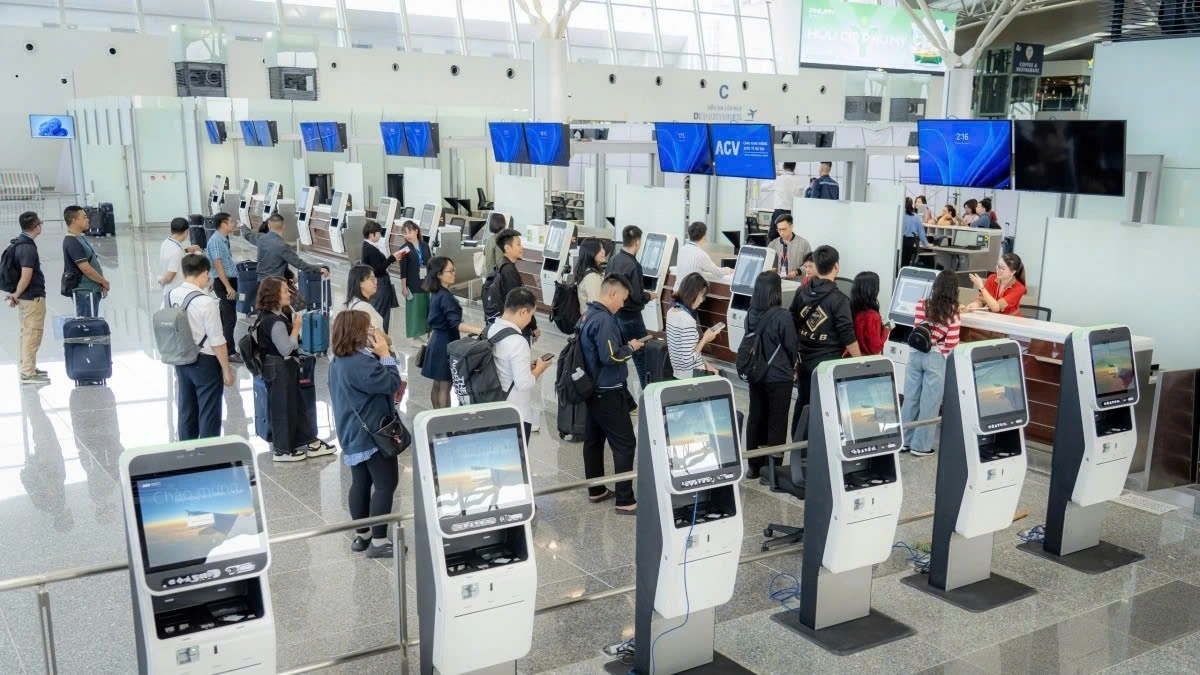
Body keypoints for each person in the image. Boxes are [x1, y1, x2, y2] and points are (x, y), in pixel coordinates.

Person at [328, 310, 403, 558]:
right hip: (373, 433)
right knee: (385, 484)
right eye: (368, 328)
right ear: (357, 332)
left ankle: (362, 537)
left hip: (351, 431)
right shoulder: (360, 363)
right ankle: (379, 543)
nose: (372, 331)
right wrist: (385, 355)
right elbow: (391, 382)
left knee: (360, 482)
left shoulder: (338, 361)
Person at [579, 275, 643, 513]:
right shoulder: (605, 320)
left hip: (591, 389)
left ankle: (596, 490)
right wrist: (631, 348)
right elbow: (611, 357)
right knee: (625, 443)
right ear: (612, 294)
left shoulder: (587, 314)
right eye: (623, 299)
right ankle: (626, 501)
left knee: (594, 441)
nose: (623, 305)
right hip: (607, 391)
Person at [254, 276, 336, 462]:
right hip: (279, 367)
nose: (288, 294)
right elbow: (286, 348)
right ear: (274, 295)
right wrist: (295, 329)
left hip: (273, 367)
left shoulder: (268, 315)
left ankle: (306, 440)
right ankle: (282, 450)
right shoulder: (276, 321)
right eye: (284, 291)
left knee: (291, 404)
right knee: (283, 408)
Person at [790, 245, 862, 424]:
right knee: (824, 408)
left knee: (803, 402)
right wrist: (859, 360)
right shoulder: (839, 299)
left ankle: (798, 447)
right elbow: (847, 334)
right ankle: (816, 448)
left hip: (803, 358)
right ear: (836, 266)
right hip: (826, 362)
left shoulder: (802, 291)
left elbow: (792, 321)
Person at [168, 255, 235, 441]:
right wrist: (226, 370)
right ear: (205, 273)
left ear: (184, 271)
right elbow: (217, 340)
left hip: (181, 358)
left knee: (186, 407)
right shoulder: (206, 302)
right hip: (205, 361)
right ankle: (209, 453)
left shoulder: (170, 295)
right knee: (209, 410)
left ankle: (186, 450)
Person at [902, 270, 961, 457]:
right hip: (935, 358)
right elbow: (952, 341)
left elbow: (917, 327)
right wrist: (940, 350)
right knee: (930, 403)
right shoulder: (953, 312)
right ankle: (920, 447)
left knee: (910, 398)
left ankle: (904, 441)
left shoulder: (922, 304)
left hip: (915, 354)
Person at [745, 272, 796, 478]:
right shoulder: (783, 316)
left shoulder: (750, 313)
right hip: (779, 376)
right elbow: (791, 346)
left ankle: (753, 466)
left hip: (756, 374)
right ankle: (772, 469)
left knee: (756, 417)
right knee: (777, 421)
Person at [488, 288, 553, 441]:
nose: (530, 320)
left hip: (494, 404)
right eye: (531, 315)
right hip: (515, 412)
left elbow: (503, 364)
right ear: (523, 312)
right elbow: (524, 383)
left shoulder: (491, 329)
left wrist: (527, 366)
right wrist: (539, 369)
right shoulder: (518, 341)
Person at [422, 256, 482, 409]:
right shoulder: (445, 296)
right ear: (439, 274)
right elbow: (455, 324)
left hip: (436, 340)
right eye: (450, 271)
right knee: (445, 386)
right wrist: (479, 330)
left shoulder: (436, 292)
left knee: (437, 384)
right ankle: (444, 421)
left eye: (454, 270)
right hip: (446, 343)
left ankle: (436, 416)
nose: (454, 273)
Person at [604, 226, 656, 388]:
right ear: (637, 242)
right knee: (641, 357)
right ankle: (648, 393)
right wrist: (649, 296)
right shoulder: (634, 265)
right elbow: (636, 297)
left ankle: (622, 394)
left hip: (614, 315)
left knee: (620, 355)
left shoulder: (614, 259)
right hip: (631, 318)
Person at [6, 211, 49, 384]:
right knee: (32, 335)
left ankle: (28, 367)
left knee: (27, 334)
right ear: (37, 226)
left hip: (26, 297)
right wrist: (16, 294)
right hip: (32, 299)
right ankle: (28, 373)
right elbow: (26, 276)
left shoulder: (19, 243)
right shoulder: (28, 248)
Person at [242, 212, 329, 284]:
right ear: (284, 226)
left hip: (261, 283)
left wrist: (242, 226)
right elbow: (299, 264)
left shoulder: (261, 238)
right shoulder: (283, 246)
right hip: (275, 285)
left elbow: (248, 235)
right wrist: (319, 269)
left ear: (269, 226)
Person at [665, 273, 721, 377]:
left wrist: (705, 363)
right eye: (701, 295)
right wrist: (705, 339)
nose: (702, 300)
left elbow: (686, 348)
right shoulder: (687, 320)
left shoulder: (671, 312)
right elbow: (688, 359)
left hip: (680, 373)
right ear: (693, 294)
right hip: (693, 376)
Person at [489, 229, 540, 340]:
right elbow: (521, 302)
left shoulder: (502, 264)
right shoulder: (508, 270)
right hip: (517, 325)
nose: (521, 247)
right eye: (518, 244)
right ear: (507, 248)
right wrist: (533, 326)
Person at [62, 205, 110, 317]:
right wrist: (104, 282)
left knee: (92, 323)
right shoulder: (72, 242)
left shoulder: (80, 237)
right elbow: (86, 269)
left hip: (91, 291)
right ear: (74, 220)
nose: (88, 219)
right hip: (84, 293)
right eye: (84, 217)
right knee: (87, 327)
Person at [205, 213, 241, 361]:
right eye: (231, 221)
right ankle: (230, 351)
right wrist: (227, 286)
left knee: (224, 316)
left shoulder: (223, 239)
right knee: (229, 318)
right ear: (224, 224)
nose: (233, 224)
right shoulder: (216, 241)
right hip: (226, 283)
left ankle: (220, 346)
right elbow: (218, 264)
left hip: (225, 280)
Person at [359, 221, 404, 334]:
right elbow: (378, 269)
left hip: (379, 282)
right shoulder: (371, 249)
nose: (380, 236)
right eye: (378, 233)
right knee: (381, 312)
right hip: (380, 283)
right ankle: (381, 337)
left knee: (381, 310)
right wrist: (392, 258)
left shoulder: (367, 246)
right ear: (372, 234)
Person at [395, 220, 432, 339]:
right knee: (414, 310)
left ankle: (426, 331)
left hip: (426, 282)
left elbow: (430, 264)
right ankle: (415, 334)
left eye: (410, 231)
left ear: (416, 231)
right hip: (413, 284)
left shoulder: (425, 246)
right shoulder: (404, 249)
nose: (408, 235)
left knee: (426, 307)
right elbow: (403, 270)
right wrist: (403, 287)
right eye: (405, 233)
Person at [962, 253, 1027, 316]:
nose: (997, 269)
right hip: (992, 317)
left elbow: (996, 308)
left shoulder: (1019, 288)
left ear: (1013, 272)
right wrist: (976, 304)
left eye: (1002, 268)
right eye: (997, 265)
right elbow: (983, 299)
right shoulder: (992, 278)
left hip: (1010, 320)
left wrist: (981, 287)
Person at [673, 221, 733, 289]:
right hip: (689, 296)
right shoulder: (701, 254)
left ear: (689, 234)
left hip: (676, 293)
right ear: (704, 236)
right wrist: (729, 270)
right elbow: (718, 273)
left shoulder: (682, 249)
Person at [343, 264, 392, 346]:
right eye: (372, 279)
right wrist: (390, 341)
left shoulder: (352, 301)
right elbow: (378, 335)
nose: (376, 282)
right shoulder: (364, 307)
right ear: (361, 283)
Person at [158, 217, 201, 302]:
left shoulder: (167, 242)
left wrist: (187, 250)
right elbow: (170, 276)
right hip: (176, 293)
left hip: (170, 292)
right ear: (186, 232)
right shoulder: (176, 251)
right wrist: (162, 281)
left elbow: (173, 256)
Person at [850, 271, 888, 356]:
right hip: (867, 362)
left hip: (850, 358)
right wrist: (886, 329)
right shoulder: (872, 316)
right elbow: (875, 349)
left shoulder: (851, 310)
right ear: (872, 290)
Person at [766, 162, 805, 240]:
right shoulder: (799, 181)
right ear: (794, 167)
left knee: (773, 238)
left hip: (779, 213)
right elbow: (801, 197)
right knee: (790, 238)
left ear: (783, 166)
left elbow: (763, 188)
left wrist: (775, 176)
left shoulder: (779, 179)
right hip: (792, 214)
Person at [767, 215, 812, 280]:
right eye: (779, 230)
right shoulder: (773, 244)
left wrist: (797, 272)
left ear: (791, 227)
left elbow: (810, 264)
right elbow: (767, 262)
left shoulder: (803, 244)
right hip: (777, 282)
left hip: (796, 283)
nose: (781, 233)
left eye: (784, 229)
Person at [574, 238, 607, 309]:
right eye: (599, 249)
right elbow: (596, 305)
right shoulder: (592, 276)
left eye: (603, 248)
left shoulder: (587, 270)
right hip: (594, 318)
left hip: (589, 317)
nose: (603, 252)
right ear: (590, 252)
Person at [900, 197, 931, 268]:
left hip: (899, 241)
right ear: (911, 204)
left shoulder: (899, 214)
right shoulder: (915, 216)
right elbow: (921, 233)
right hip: (909, 242)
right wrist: (927, 244)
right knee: (905, 263)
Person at [482, 213, 508, 277]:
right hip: (496, 277)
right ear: (502, 223)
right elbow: (500, 262)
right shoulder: (500, 239)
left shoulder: (490, 239)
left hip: (488, 275)